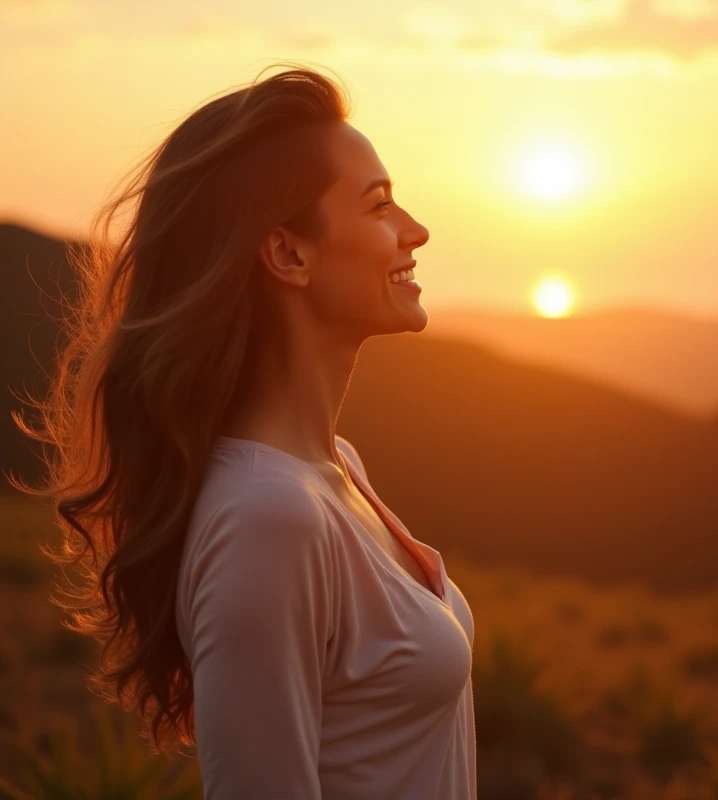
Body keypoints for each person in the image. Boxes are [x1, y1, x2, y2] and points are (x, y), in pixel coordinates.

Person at [11, 62, 476, 798]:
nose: (415, 231)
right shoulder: (270, 516)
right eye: (380, 205)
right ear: (288, 252)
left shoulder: (336, 471)